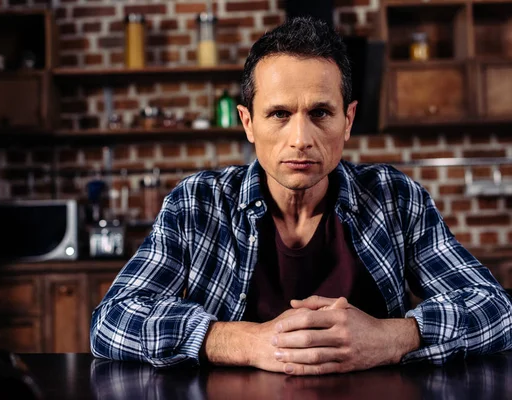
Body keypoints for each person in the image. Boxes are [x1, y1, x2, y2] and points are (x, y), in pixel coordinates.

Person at [90, 17, 512, 375]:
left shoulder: (395, 198)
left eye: (320, 113)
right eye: (279, 114)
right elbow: (112, 321)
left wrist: (394, 335)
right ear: (248, 122)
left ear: (347, 120)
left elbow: (498, 310)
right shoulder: (196, 203)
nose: (300, 139)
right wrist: (243, 341)